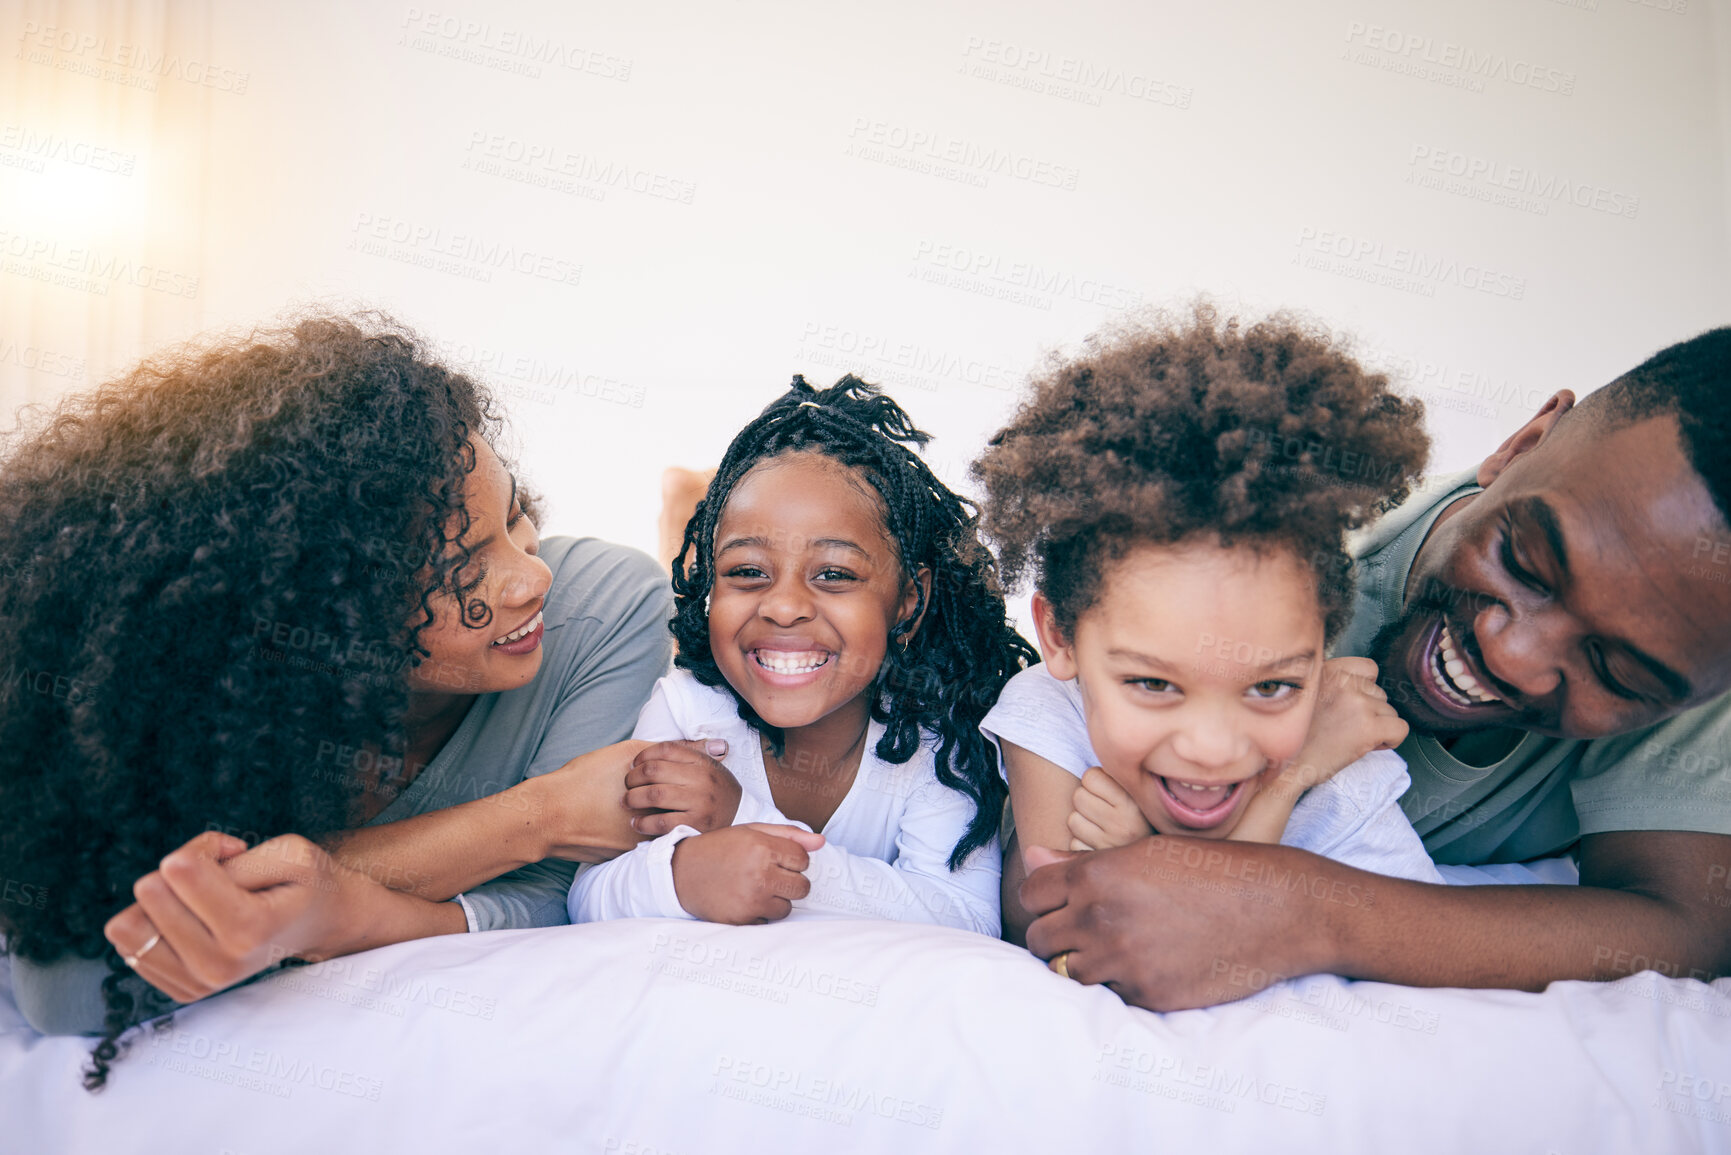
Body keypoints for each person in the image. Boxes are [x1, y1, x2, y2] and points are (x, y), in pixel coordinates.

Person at [0, 315, 727, 1086]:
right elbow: (70, 985)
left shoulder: (604, 606)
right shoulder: (215, 721)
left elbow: (564, 901)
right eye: (459, 567)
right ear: (318, 611)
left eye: (515, 518)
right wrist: (538, 815)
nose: (528, 578)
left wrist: (337, 911)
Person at [1013, 323, 1731, 1008]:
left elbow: (1685, 924)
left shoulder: (1699, 632)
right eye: (1525, 563)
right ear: (1521, 446)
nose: (1511, 655)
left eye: (1617, 671)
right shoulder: (1267, 541)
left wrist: (1295, 909)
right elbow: (1056, 918)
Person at [972, 307, 1442, 955]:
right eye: (1152, 682)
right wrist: (1272, 794)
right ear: (1058, 637)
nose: (1212, 748)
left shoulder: (1338, 767)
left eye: (1271, 685)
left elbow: (1416, 938)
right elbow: (1050, 925)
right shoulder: (1048, 712)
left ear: (1322, 649)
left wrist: (1286, 782)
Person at [568, 375, 1037, 932]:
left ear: (909, 601)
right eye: (746, 572)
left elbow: (966, 919)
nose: (784, 607)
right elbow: (586, 896)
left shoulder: (940, 737)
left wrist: (742, 819)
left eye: (834, 575)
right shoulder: (688, 710)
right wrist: (679, 876)